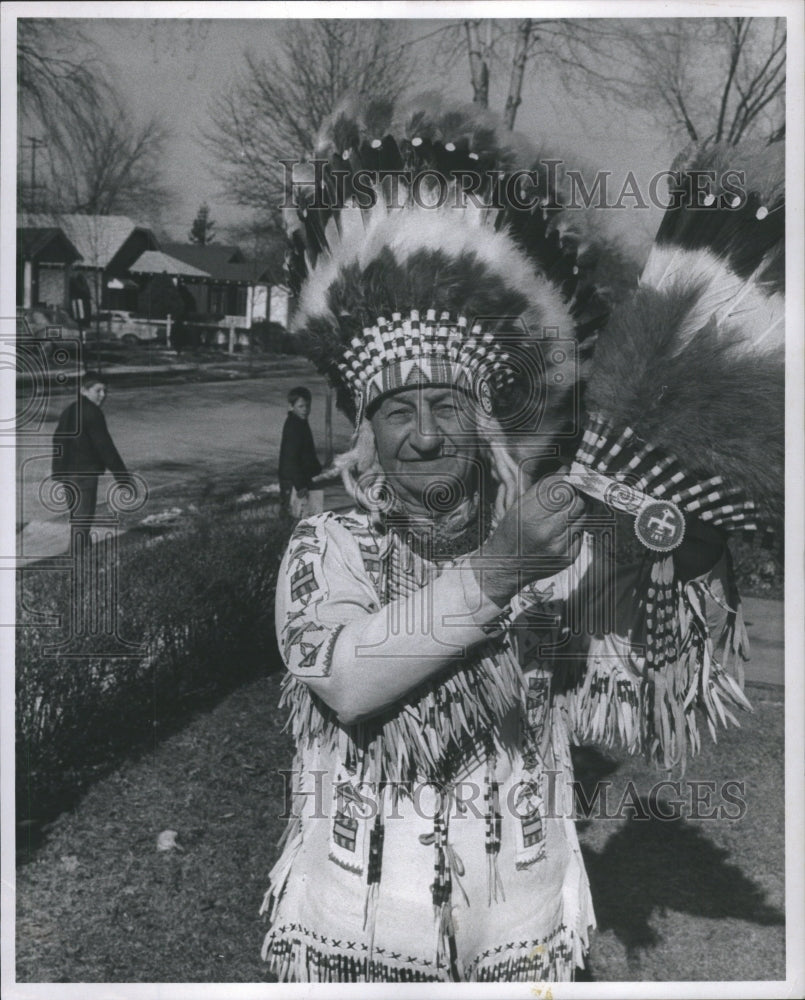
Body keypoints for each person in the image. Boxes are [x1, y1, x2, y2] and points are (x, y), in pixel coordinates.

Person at [259, 98, 751, 983]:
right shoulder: (326, 545)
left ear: (483, 423)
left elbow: (646, 686)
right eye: (398, 412)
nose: (423, 434)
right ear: (367, 434)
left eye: (446, 404)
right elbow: (344, 676)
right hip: (356, 938)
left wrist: (694, 535)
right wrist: (499, 571)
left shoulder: (554, 542)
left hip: (521, 939)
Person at [51, 371, 129, 548]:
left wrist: (58, 472)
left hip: (67, 475)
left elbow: (57, 441)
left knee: (77, 519)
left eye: (105, 391)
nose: (103, 395)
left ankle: (84, 554)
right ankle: (79, 563)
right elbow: (105, 447)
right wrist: (123, 478)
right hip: (84, 475)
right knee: (82, 521)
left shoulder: (69, 410)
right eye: (98, 390)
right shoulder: (93, 412)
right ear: (83, 391)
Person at [278, 386, 322, 517]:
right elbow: (290, 458)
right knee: (296, 518)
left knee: (310, 517)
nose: (305, 410)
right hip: (294, 481)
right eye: (301, 406)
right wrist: (300, 485)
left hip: (301, 478)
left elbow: (304, 452)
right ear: (291, 407)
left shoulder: (300, 422)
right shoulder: (293, 426)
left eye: (307, 406)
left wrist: (315, 466)